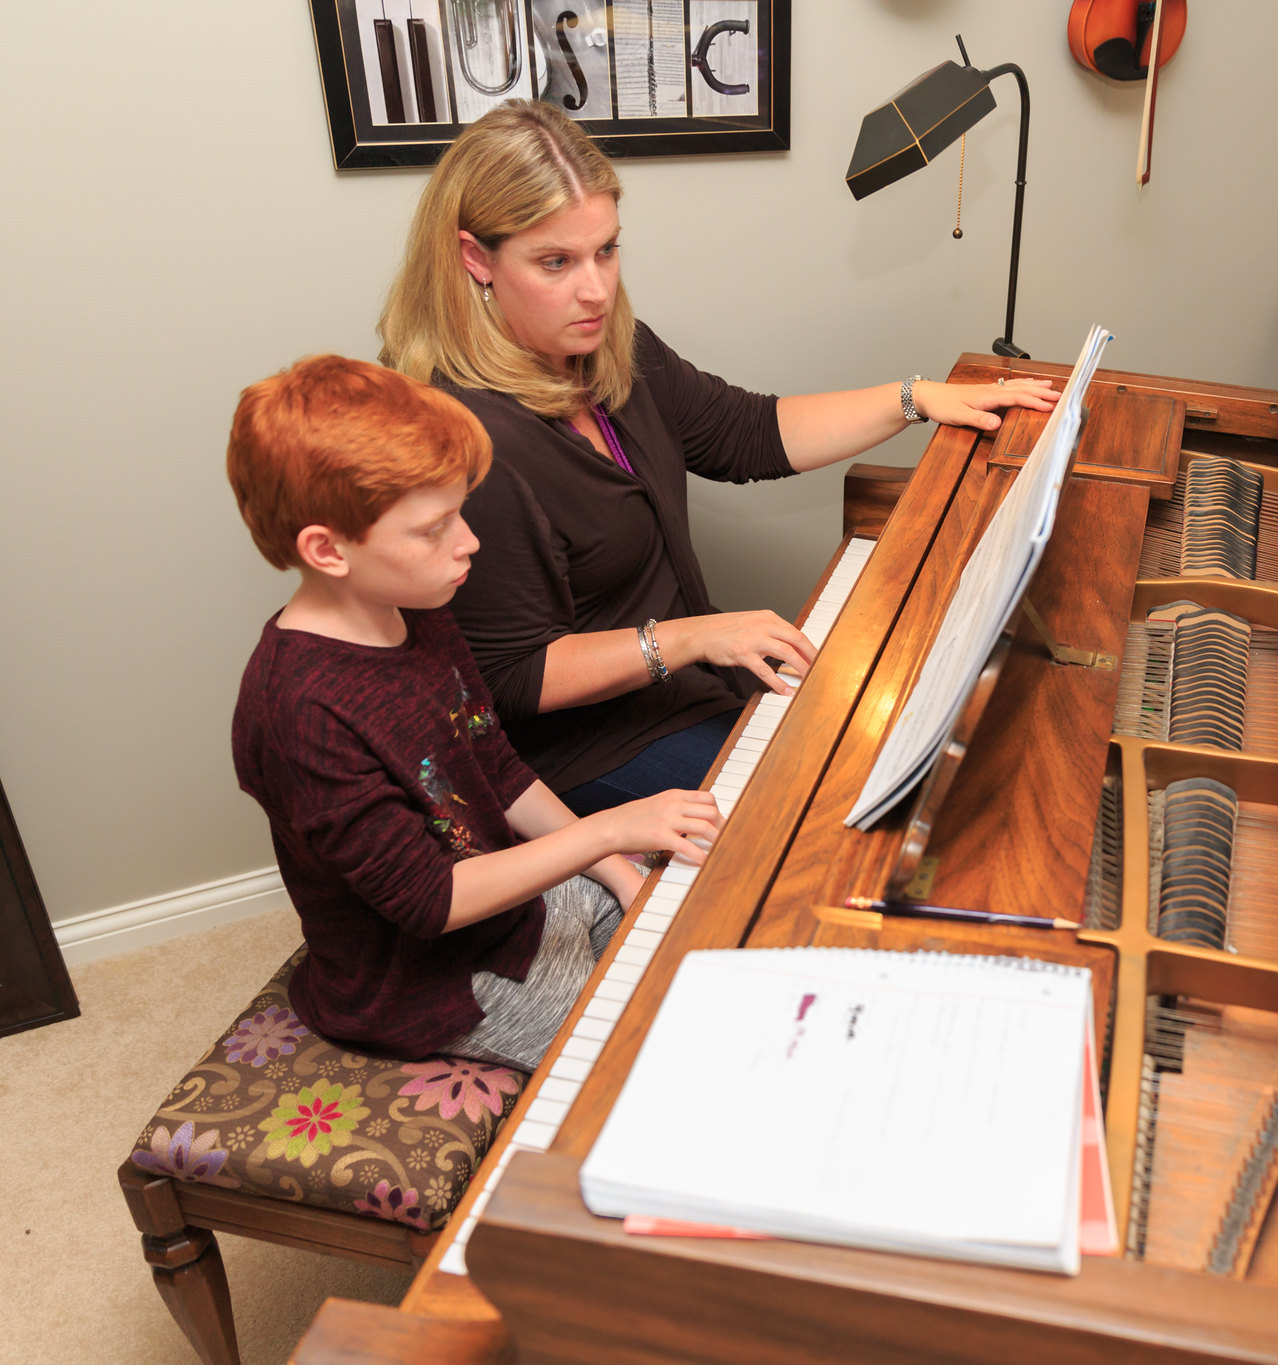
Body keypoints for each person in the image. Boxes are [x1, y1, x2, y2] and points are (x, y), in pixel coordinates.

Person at [377, 100, 1057, 814]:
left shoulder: (611, 349)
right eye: (557, 262)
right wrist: (697, 636)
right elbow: (512, 676)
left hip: (682, 688)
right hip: (583, 751)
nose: (597, 289)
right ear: (475, 258)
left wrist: (915, 398)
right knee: (824, 807)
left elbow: (750, 433)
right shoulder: (464, 438)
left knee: (893, 736)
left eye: (607, 250)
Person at [226, 354, 724, 1067]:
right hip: (436, 983)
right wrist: (606, 830)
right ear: (327, 549)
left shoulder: (419, 609)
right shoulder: (299, 711)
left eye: (461, 510)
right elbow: (432, 901)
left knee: (711, 934)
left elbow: (493, 764)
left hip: (520, 907)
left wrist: (615, 864)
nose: (469, 543)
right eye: (433, 529)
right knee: (665, 1055)